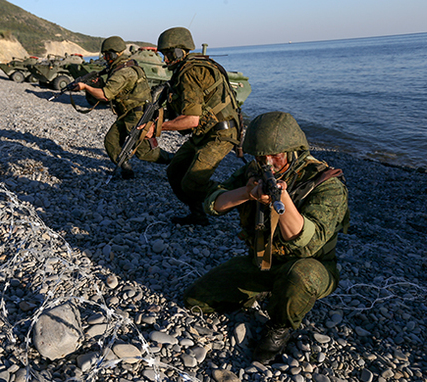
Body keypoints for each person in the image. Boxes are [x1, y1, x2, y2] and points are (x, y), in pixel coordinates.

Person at [183, 111, 349, 364]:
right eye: (261, 157)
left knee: (300, 277)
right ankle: (263, 291)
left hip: (310, 266)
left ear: (293, 150)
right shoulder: (254, 171)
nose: (268, 163)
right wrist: (246, 193)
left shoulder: (326, 184)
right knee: (196, 299)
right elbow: (212, 204)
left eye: (276, 155)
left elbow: (306, 243)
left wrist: (282, 200)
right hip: (263, 262)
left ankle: (281, 325)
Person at [149, 27, 241, 225]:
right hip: (206, 132)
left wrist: (157, 127)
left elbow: (192, 120)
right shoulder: (190, 68)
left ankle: (242, 197)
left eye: (167, 54)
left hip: (220, 133)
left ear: (179, 51)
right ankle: (198, 215)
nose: (165, 61)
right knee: (174, 171)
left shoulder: (191, 72)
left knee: (192, 182)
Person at [74, 36, 173, 179]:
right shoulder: (122, 66)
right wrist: (98, 83)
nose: (106, 58)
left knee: (146, 153)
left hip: (138, 115)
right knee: (111, 141)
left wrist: (85, 87)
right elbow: (115, 90)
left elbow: (105, 96)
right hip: (128, 114)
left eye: (108, 55)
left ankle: (178, 161)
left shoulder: (124, 71)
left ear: (115, 54)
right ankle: (126, 170)